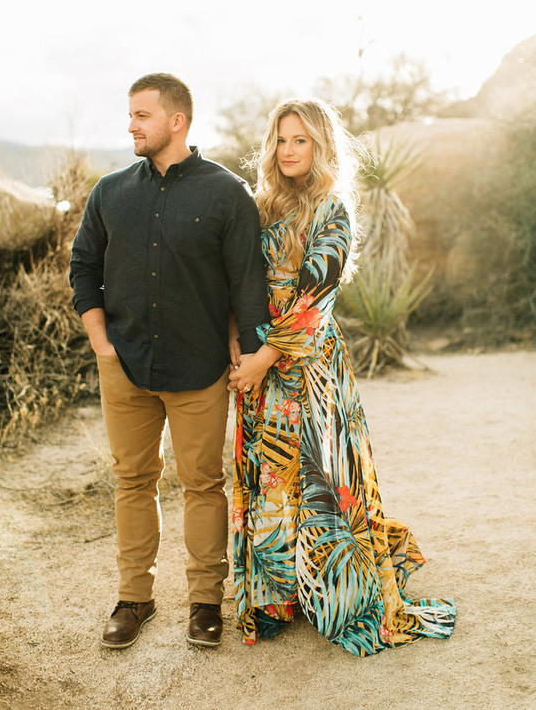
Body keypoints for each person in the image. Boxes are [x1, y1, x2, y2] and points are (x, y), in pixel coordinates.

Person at [228, 98, 456, 655]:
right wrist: (239, 344)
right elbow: (236, 278)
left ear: (321, 146)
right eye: (280, 140)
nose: (287, 151)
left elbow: (316, 296)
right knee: (269, 472)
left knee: (317, 473)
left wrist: (262, 358)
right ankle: (277, 597)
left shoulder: (334, 208)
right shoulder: (259, 206)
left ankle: (333, 592)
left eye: (299, 140)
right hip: (258, 362)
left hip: (306, 364)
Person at [69, 73, 269, 649]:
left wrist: (249, 354)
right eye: (130, 115)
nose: (130, 125)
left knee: (203, 484)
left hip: (199, 368)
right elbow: (84, 267)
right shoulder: (110, 191)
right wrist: (101, 341)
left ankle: (206, 603)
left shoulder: (227, 194)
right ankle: (135, 598)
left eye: (141, 116)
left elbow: (247, 284)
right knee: (132, 480)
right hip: (124, 365)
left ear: (176, 121)